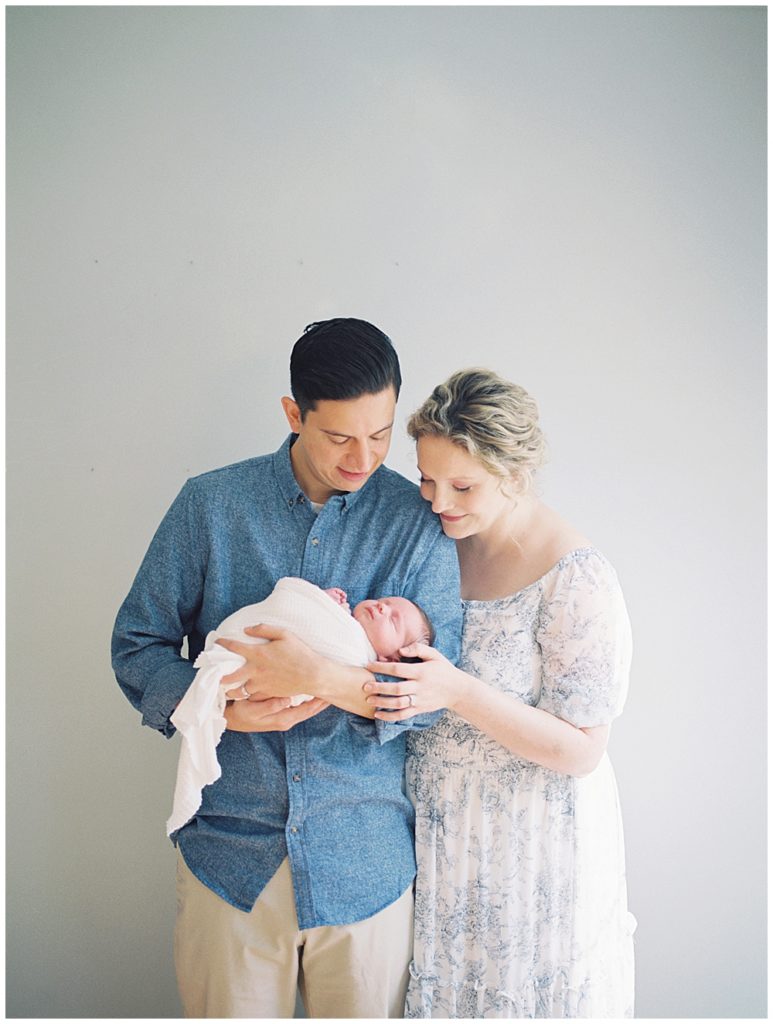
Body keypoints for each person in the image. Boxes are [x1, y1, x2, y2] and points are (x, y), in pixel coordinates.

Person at [111, 318, 461, 1019]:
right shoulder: (210, 505)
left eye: (381, 433)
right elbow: (137, 644)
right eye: (339, 437)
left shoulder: (416, 520)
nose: (363, 458)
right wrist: (218, 707)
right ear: (293, 414)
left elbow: (438, 690)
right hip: (230, 858)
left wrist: (320, 677)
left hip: (363, 862)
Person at [365, 368, 635, 1018]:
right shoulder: (433, 544)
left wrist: (456, 690)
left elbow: (581, 751)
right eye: (427, 479)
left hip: (534, 849)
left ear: (515, 473)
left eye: (462, 485)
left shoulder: (575, 577)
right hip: (440, 841)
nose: (437, 500)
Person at [166, 577, 435, 836]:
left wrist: (317, 674)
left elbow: (431, 700)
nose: (382, 607)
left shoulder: (359, 654)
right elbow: (297, 605)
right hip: (229, 832)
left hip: (357, 837)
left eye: (393, 620)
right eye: (385, 601)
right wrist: (324, 600)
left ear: (391, 659)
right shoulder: (343, 619)